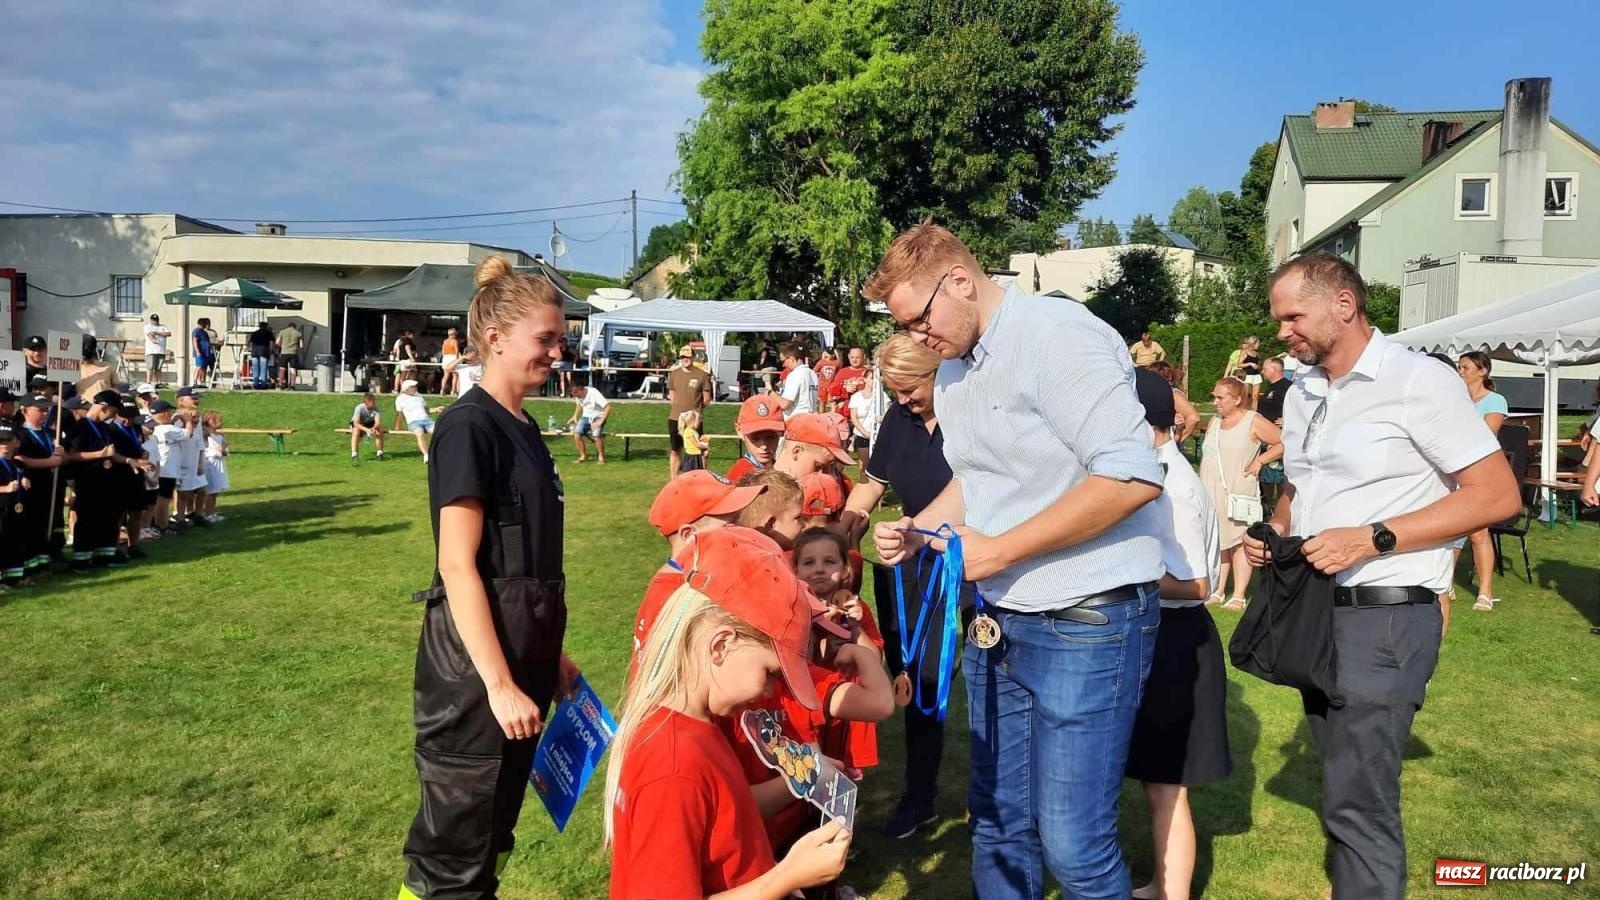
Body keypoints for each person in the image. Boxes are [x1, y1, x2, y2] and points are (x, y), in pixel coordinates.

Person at [865, 222, 1166, 898]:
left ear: (962, 280)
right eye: (904, 326)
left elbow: (1131, 476)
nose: (917, 337)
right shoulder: (953, 368)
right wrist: (920, 530)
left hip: (1087, 620)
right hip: (999, 621)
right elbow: (978, 482)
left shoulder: (1059, 336)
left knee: (1076, 849)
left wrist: (999, 549)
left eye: (919, 319)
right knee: (999, 825)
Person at [1243, 253, 1519, 900]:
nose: (1283, 331)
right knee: (1344, 790)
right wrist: (1278, 534)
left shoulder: (1418, 380)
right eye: (1279, 318)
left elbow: (1497, 495)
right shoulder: (1307, 388)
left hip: (1387, 617)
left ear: (1344, 304)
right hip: (1314, 611)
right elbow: (1302, 491)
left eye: (1293, 316)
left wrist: (1374, 537)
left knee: (1358, 806)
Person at [399, 255, 581, 900]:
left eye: (561, 338)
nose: (558, 352)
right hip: (474, 678)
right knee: (453, 853)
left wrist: (547, 655)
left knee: (490, 836)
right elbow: (458, 563)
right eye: (546, 339)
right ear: (496, 338)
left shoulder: (527, 427)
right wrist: (500, 683)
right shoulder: (468, 426)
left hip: (519, 659)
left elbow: (521, 562)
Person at [604, 527, 850, 899]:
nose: (769, 692)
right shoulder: (672, 767)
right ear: (721, 645)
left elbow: (728, 814)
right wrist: (784, 878)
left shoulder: (698, 725)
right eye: (770, 673)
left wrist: (804, 778)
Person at [838, 332, 974, 839]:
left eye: (909, 388)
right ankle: (920, 798)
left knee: (971, 679)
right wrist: (850, 517)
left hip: (969, 564)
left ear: (938, 371)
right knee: (913, 679)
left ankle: (989, 801)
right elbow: (873, 482)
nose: (901, 400)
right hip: (910, 566)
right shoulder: (900, 418)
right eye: (893, 390)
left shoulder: (971, 418)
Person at [1126, 369, 1228, 900]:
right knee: (1156, 781)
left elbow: (1197, 584)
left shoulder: (1174, 487)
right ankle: (1160, 884)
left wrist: (1123, 567)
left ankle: (1172, 892)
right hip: (1162, 635)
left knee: (1168, 786)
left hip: (1177, 641)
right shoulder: (1157, 472)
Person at [631, 471, 768, 675]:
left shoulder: (696, 579)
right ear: (689, 535)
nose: (742, 531)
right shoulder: (673, 595)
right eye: (730, 525)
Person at [1200, 376, 1283, 610]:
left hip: (1239, 489)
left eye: (1220, 397)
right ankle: (1218, 588)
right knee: (1219, 540)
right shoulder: (1215, 421)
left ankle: (1239, 594)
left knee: (1239, 541)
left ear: (1237, 399)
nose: (1215, 402)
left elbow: (1283, 442)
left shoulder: (1252, 420)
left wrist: (1260, 461)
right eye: (1214, 397)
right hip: (1211, 488)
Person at [1457, 351, 1510, 613]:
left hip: (1480, 471)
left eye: (1466, 367)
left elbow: (1488, 434)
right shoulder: (1455, 398)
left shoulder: (1495, 401)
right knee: (1448, 530)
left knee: (1478, 532)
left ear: (1482, 371)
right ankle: (1444, 584)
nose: (1461, 371)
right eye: (1459, 367)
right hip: (1452, 470)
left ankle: (1485, 592)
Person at [64, 390, 132, 569]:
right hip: (88, 479)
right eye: (113, 412)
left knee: (107, 517)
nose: (113, 417)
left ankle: (105, 555)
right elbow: (72, 454)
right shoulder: (80, 427)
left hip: (106, 480)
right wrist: (99, 454)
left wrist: (130, 460)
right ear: (104, 408)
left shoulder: (104, 427)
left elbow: (112, 453)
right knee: (87, 519)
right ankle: (81, 559)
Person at [14, 393, 67, 575]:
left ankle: (46, 560)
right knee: (32, 525)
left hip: (51, 486)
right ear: (24, 411)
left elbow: (60, 457)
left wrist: (60, 452)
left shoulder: (49, 433)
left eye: (46, 410)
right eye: (40, 410)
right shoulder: (19, 434)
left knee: (48, 522)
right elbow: (20, 458)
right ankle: (31, 563)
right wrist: (50, 462)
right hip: (32, 486)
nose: (44, 414)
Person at [667, 346, 714, 478]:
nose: (685, 359)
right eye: (682, 357)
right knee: (675, 450)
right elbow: (672, 396)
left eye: (687, 357)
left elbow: (707, 399)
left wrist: (695, 412)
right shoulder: (674, 374)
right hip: (675, 418)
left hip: (694, 421)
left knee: (699, 448)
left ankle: (703, 476)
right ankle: (673, 479)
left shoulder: (702, 375)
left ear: (693, 357)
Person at [1255, 356, 1292, 514]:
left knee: (1279, 477)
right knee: (1267, 477)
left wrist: (1289, 421)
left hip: (1278, 441)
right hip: (1265, 439)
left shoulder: (1288, 388)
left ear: (1275, 369)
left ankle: (1284, 509)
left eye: (1264, 368)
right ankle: (1268, 508)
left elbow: (1301, 410)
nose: (1262, 372)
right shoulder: (1270, 388)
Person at [727, 396, 786, 483]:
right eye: (755, 438)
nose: (764, 446)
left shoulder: (779, 467)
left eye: (771, 437)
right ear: (739, 431)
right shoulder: (740, 476)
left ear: (781, 432)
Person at [1148, 360, 1202, 446]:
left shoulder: (1173, 395)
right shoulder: (1157, 394)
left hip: (1166, 446)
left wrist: (1177, 440)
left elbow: (1194, 418)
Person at [0, 425, 27, 588]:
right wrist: (5, 488)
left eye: (8, 440)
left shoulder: (17, 463)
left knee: (14, 543)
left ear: (16, 442)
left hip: (14, 510)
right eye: (0, 441)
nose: (4, 444)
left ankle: (14, 579)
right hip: (1, 511)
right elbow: (7, 487)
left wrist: (25, 483)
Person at [565, 374, 610, 464]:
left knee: (596, 435)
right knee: (577, 433)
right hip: (586, 417)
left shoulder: (593, 393)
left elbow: (608, 407)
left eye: (575, 393)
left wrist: (600, 422)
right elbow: (579, 405)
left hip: (598, 416)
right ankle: (583, 456)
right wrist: (575, 416)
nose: (574, 396)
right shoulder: (577, 395)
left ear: (581, 389)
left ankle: (601, 457)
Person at [394, 380, 441, 464]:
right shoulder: (400, 399)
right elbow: (400, 414)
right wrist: (397, 426)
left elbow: (427, 410)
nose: (415, 388)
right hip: (413, 422)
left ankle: (440, 452)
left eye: (415, 386)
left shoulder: (419, 396)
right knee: (419, 433)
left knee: (438, 431)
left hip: (426, 421)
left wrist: (436, 409)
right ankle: (426, 456)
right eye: (413, 387)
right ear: (406, 389)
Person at [846, 369, 882, 477]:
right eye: (871, 378)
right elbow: (854, 417)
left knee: (878, 466)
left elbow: (889, 414)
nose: (874, 381)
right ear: (865, 379)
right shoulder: (856, 397)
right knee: (864, 465)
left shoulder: (881, 396)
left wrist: (882, 418)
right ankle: (863, 486)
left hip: (877, 435)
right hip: (863, 435)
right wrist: (864, 432)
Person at [771, 342, 817, 419]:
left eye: (783, 361)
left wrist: (770, 393)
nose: (783, 365)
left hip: (796, 422)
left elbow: (784, 404)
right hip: (811, 420)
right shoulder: (813, 374)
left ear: (791, 359)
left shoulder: (795, 375)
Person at [201, 411, 229, 522]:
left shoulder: (220, 435)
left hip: (219, 463)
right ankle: (207, 514)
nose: (220, 422)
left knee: (216, 490)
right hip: (210, 464)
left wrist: (223, 450)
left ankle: (212, 513)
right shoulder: (206, 434)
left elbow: (225, 451)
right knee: (210, 490)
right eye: (216, 420)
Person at [350, 393, 387, 461]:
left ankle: (379, 453)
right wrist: (366, 430)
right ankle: (354, 454)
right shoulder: (359, 408)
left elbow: (377, 422)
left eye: (374, 402)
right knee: (356, 431)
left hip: (370, 423)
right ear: (366, 403)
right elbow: (356, 423)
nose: (374, 404)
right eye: (372, 402)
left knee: (379, 430)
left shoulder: (375, 408)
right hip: (360, 423)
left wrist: (373, 428)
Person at [144, 315, 172, 385]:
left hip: (161, 351)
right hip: (151, 351)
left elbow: (169, 333)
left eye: (156, 320)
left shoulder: (163, 327)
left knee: (158, 368)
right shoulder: (147, 327)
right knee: (150, 367)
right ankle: (149, 382)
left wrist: (157, 333)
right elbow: (149, 334)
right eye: (154, 320)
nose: (155, 321)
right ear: (151, 320)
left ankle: (158, 382)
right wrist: (153, 340)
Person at [276, 321, 303, 389]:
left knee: (282, 369)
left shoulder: (282, 331)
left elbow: (277, 342)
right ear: (295, 327)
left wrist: (282, 346)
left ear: (288, 326)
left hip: (284, 352)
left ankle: (280, 384)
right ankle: (292, 385)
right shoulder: (298, 333)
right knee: (293, 369)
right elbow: (301, 345)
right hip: (293, 353)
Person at [191, 318, 215, 385]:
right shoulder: (196, 331)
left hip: (206, 353)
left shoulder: (204, 332)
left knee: (204, 368)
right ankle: (195, 381)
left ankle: (202, 382)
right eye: (206, 324)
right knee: (199, 367)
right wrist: (198, 351)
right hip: (200, 353)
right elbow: (194, 341)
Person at [439, 328, 461, 396]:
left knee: (445, 375)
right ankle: (453, 391)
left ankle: (442, 390)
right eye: (454, 334)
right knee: (455, 375)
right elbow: (457, 351)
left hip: (446, 358)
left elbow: (442, 352)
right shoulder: (455, 341)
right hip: (453, 357)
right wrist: (457, 360)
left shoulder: (445, 341)